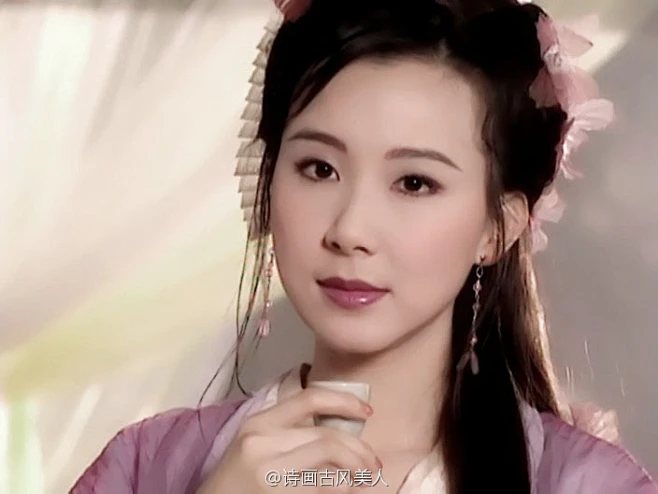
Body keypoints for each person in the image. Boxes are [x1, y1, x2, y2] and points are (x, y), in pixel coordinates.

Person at [70, 0, 658, 492]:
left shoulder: (583, 483)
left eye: (414, 183)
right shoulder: (147, 465)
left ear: (497, 229)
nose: (349, 229)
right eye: (319, 168)